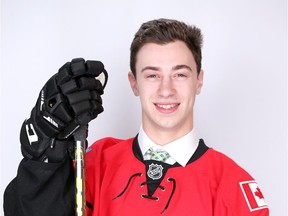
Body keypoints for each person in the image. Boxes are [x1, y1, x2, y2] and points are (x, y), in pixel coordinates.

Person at [3, 18, 269, 216]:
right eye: (152, 75)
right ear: (134, 83)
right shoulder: (95, 163)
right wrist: (45, 152)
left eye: (180, 74)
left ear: (198, 81)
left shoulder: (235, 186)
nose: (166, 90)